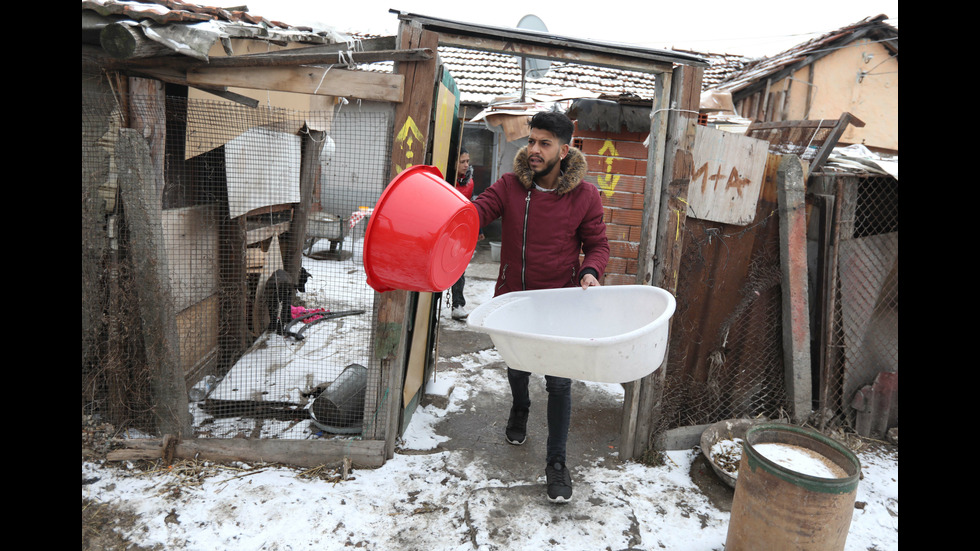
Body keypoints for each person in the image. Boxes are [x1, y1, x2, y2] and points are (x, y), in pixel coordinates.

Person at [471, 111, 609, 503]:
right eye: (531, 141)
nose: (533, 149)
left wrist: (591, 271)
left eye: (544, 143)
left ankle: (557, 462)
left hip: (560, 303)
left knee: (560, 382)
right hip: (514, 297)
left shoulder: (585, 196)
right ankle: (520, 406)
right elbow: (479, 211)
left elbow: (598, 245)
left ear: (564, 150)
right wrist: (455, 220)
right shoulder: (511, 186)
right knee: (517, 365)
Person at [450, 147, 475, 321]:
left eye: (467, 161)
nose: (466, 165)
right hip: (443, 230)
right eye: (462, 161)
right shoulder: (446, 181)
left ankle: (458, 305)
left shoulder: (469, 182)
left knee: (459, 269)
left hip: (459, 232)